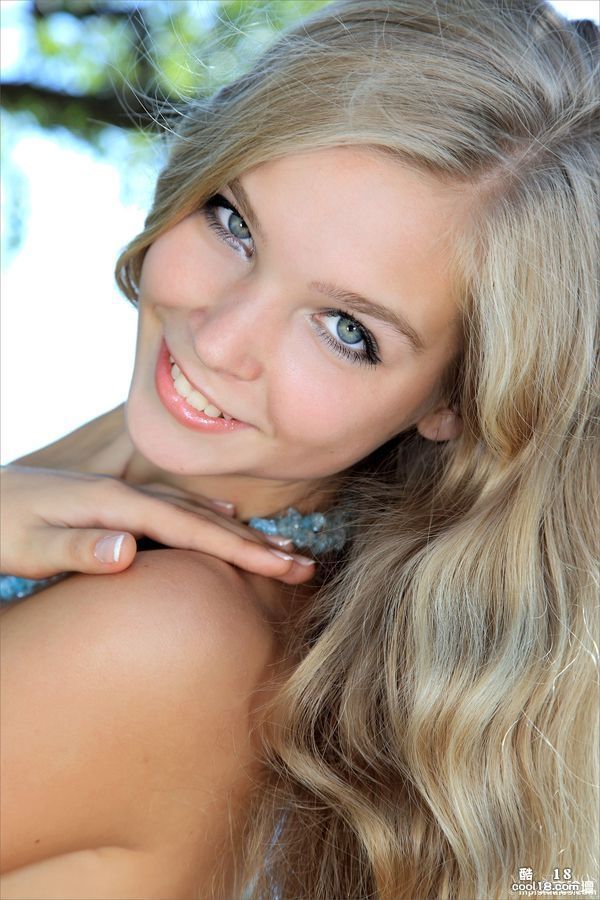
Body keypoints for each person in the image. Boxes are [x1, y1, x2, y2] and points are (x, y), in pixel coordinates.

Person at [1, 0, 598, 897]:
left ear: (458, 403)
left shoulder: (169, 637)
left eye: (346, 329)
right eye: (234, 224)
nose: (220, 340)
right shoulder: (124, 465)